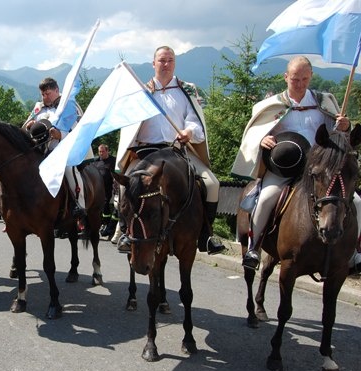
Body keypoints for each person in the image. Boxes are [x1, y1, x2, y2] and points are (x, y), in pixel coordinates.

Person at [232, 56, 357, 270]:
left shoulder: (323, 102)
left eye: (305, 79)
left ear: (310, 77)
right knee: (265, 199)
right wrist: (262, 138)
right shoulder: (271, 106)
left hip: (320, 171)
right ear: (286, 77)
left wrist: (344, 127)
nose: (300, 84)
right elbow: (254, 133)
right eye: (295, 79)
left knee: (357, 202)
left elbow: (337, 136)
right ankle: (254, 247)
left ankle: (355, 254)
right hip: (284, 169)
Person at [116, 46, 225, 255]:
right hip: (145, 152)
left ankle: (206, 235)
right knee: (123, 186)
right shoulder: (141, 91)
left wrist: (189, 132)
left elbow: (195, 122)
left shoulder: (187, 90)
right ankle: (126, 233)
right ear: (153, 63)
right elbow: (129, 125)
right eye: (162, 60)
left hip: (177, 151)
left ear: (174, 63)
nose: (166, 64)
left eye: (170, 60)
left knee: (212, 184)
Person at [23, 77, 92, 222]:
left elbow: (81, 129)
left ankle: (80, 206)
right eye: (43, 94)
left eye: (48, 93)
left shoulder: (70, 105)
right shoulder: (39, 107)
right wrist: (30, 125)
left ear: (56, 90)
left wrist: (60, 134)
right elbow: (26, 126)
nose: (45, 97)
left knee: (68, 169)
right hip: (43, 151)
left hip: (66, 149)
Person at [93, 143, 117, 238]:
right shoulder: (96, 161)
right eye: (99, 151)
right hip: (96, 188)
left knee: (105, 205)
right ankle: (100, 223)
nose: (101, 153)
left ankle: (106, 223)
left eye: (103, 151)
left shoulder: (113, 161)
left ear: (107, 151)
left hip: (109, 188)